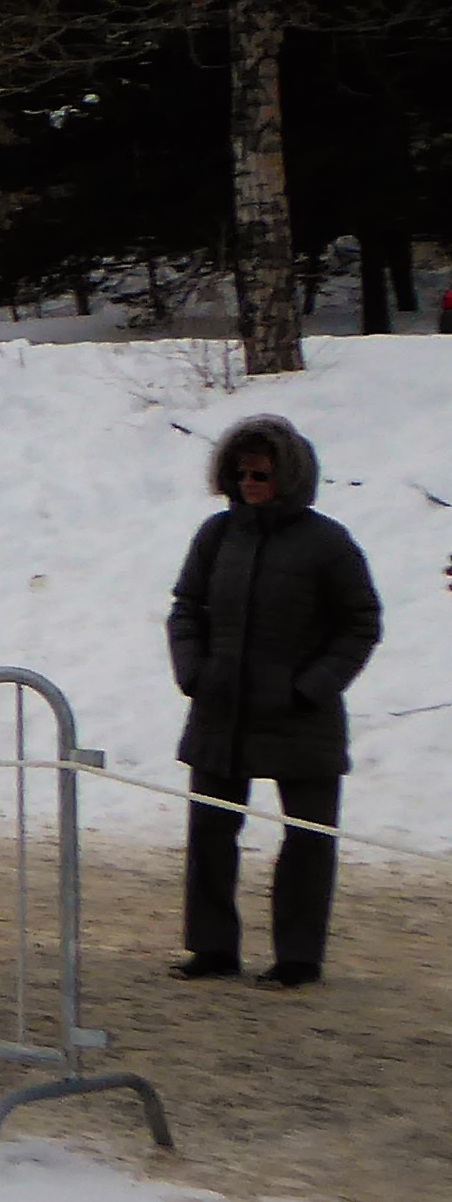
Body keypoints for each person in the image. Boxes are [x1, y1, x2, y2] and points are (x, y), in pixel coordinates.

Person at [166, 415, 379, 988]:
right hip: (221, 711)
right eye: (240, 473)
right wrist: (194, 672)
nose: (249, 481)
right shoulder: (216, 535)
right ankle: (212, 947)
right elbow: (187, 608)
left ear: (288, 475)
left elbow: (360, 625)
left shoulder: (328, 543)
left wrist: (311, 687)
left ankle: (298, 958)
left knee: (308, 839)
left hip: (301, 719)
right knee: (210, 833)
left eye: (260, 472)